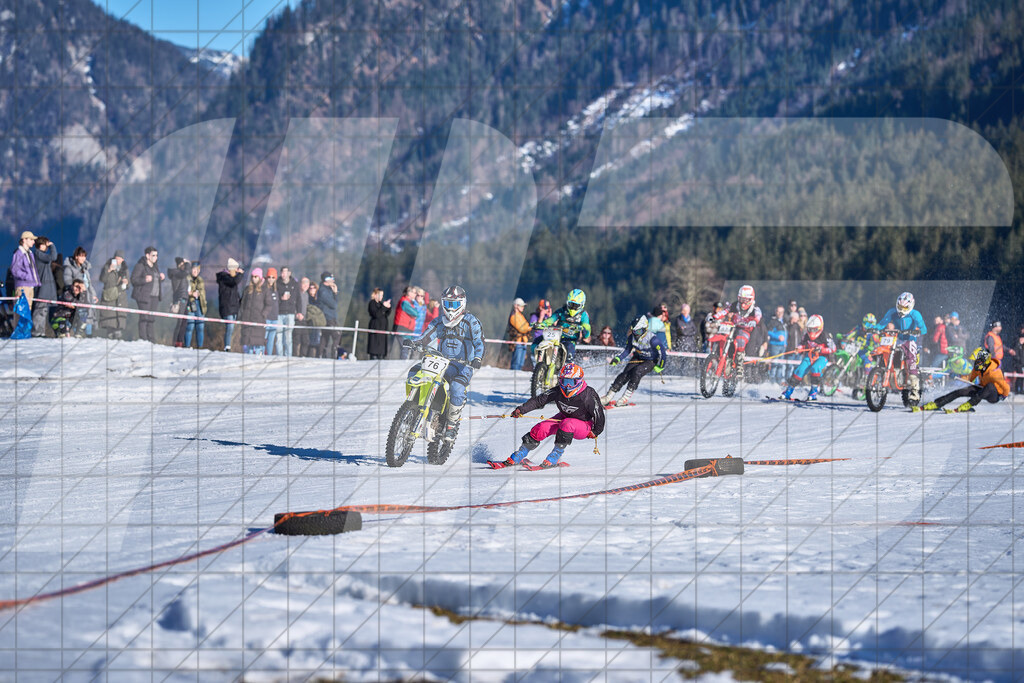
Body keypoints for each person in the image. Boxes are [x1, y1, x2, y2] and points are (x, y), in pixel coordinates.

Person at [402, 285, 484, 444]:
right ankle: (413, 408)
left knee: (456, 388)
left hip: (463, 365)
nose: (449, 308)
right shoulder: (439, 321)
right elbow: (426, 336)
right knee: (415, 372)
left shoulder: (471, 321)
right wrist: (415, 343)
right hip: (441, 361)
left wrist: (478, 358)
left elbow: (479, 342)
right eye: (446, 303)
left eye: (453, 304)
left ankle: (451, 426)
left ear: (462, 303)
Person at [492, 362, 606, 469]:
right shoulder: (557, 391)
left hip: (585, 425)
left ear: (579, 381)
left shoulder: (588, 395)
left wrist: (596, 431)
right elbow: (538, 401)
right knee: (541, 428)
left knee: (567, 424)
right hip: (564, 418)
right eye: (564, 381)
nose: (566, 386)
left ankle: (554, 457)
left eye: (571, 382)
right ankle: (519, 455)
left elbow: (599, 413)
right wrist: (521, 410)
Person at [600, 314, 666, 406]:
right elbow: (627, 350)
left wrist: (660, 366)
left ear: (644, 329)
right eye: (634, 331)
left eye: (638, 331)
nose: (635, 334)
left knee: (637, 371)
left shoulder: (653, 340)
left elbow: (663, 353)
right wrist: (618, 358)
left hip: (650, 361)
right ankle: (608, 396)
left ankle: (625, 397)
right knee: (624, 374)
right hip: (637, 357)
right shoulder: (632, 337)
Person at [874, 292, 928, 404]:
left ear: (911, 305)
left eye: (904, 307)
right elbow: (883, 322)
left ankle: (914, 392)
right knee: (886, 350)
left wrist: (917, 331)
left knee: (911, 361)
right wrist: (875, 329)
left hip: (910, 339)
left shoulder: (915, 314)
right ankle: (883, 372)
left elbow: (924, 329)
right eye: (900, 307)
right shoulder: (892, 312)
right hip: (897, 338)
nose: (902, 310)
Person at [916, 348, 1009, 412]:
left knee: (990, 386)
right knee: (960, 391)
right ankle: (937, 404)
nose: (976, 363)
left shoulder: (995, 373)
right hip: (982, 390)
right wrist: (958, 376)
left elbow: (1006, 387)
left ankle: (968, 405)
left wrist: (1004, 396)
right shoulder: (979, 369)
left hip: (993, 396)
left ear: (985, 361)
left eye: (978, 361)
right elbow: (969, 378)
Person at [711, 285, 762, 382]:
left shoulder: (755, 309)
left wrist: (754, 321)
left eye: (746, 300)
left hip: (745, 330)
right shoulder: (735, 305)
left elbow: (758, 316)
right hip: (733, 327)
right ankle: (718, 356)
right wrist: (714, 317)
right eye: (742, 299)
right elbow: (725, 311)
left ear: (751, 299)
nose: (743, 303)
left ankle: (739, 368)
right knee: (723, 337)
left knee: (740, 341)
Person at [780, 314, 835, 401]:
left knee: (815, 368)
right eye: (810, 329)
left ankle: (813, 392)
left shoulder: (825, 335)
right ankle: (788, 392)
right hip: (810, 355)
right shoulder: (806, 335)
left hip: (822, 357)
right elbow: (802, 344)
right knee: (799, 370)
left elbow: (833, 348)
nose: (812, 332)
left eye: (814, 329)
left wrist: (821, 349)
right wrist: (798, 348)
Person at [534, 288, 591, 361]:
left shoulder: (583, 315)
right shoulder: (562, 311)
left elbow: (587, 327)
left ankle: (568, 367)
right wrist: (542, 324)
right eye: (570, 304)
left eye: (575, 306)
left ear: (582, 305)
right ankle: (540, 362)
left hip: (570, 339)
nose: (572, 308)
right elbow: (552, 319)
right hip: (556, 336)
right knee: (539, 342)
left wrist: (584, 329)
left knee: (569, 354)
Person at [130, 246, 164, 342]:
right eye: (153, 255)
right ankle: (143, 339)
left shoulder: (155, 267)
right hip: (143, 296)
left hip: (155, 297)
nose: (155, 257)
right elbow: (133, 280)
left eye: (157, 255)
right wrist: (144, 280)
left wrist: (161, 278)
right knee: (144, 318)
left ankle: (151, 340)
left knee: (151, 319)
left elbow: (155, 281)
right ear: (147, 255)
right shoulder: (140, 265)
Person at [62, 247, 97, 337]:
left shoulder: (85, 270)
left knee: (88, 317)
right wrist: (77, 289)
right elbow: (68, 282)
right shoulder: (69, 268)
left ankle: (89, 336)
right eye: (81, 256)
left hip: (87, 297)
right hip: (76, 297)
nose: (83, 258)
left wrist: (94, 295)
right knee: (77, 317)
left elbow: (89, 284)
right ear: (76, 256)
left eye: (84, 256)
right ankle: (75, 335)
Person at [98, 250, 129, 338]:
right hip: (109, 298)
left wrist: (126, 283)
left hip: (121, 299)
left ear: (123, 260)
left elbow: (129, 284)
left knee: (118, 329)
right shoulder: (107, 266)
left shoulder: (125, 269)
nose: (118, 260)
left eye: (120, 258)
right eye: (116, 258)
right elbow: (102, 279)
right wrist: (109, 270)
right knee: (110, 328)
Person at [238, 268, 270, 354]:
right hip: (247, 320)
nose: (254, 278)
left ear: (260, 277)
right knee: (247, 346)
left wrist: (263, 314)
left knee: (257, 345)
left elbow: (268, 304)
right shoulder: (247, 289)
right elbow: (242, 304)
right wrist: (241, 315)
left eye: (256, 276)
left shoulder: (265, 290)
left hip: (258, 321)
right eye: (252, 276)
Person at [216, 258, 244, 351]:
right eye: (236, 269)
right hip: (227, 307)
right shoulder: (224, 277)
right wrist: (240, 274)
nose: (237, 271)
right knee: (230, 326)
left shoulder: (232, 279)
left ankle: (229, 345)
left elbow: (235, 292)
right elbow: (234, 282)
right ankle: (227, 346)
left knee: (231, 329)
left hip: (234, 307)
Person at [32, 236, 58, 337]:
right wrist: (52, 246)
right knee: (40, 311)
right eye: (46, 244)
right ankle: (37, 332)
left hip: (45, 289)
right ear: (41, 245)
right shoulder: (38, 254)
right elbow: (53, 257)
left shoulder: (40, 255)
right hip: (42, 289)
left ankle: (41, 332)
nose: (47, 246)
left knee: (43, 311)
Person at [11, 230, 40, 310]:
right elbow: (15, 270)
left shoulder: (30, 254)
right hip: (23, 287)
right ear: (24, 239)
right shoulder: (19, 253)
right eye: (31, 239)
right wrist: (27, 276)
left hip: (30, 287)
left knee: (27, 311)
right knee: (22, 312)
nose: (33, 242)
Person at [275, 266, 300, 356]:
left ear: (289, 273)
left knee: (288, 337)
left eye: (285, 272)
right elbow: (274, 298)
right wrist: (281, 299)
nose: (283, 274)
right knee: (278, 337)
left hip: (290, 313)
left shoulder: (295, 284)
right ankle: (279, 356)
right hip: (279, 314)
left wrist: (299, 312)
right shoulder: (277, 283)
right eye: (282, 272)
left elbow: (298, 299)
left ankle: (288, 356)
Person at [168, 257, 191, 347]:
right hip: (180, 300)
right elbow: (186, 272)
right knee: (180, 322)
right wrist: (188, 263)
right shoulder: (176, 273)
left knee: (183, 323)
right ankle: (176, 343)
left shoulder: (181, 275)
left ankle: (180, 342)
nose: (184, 266)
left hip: (185, 299)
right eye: (182, 264)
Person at [184, 261, 207, 349]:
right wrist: (191, 294)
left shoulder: (201, 280)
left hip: (200, 305)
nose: (195, 271)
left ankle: (200, 347)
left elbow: (203, 293)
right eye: (193, 269)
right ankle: (187, 345)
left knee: (200, 326)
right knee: (190, 325)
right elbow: (185, 291)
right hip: (190, 304)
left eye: (197, 269)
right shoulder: (187, 279)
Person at [317, 272, 339, 358]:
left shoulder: (328, 289)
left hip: (331, 316)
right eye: (331, 278)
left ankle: (321, 354)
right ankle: (333, 355)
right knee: (337, 335)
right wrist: (335, 293)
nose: (333, 280)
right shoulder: (323, 291)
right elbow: (334, 305)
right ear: (326, 280)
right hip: (328, 317)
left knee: (325, 336)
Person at [506, 297, 532, 370]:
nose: (523, 307)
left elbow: (526, 326)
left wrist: (527, 328)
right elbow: (522, 329)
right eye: (521, 305)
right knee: (516, 364)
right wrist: (529, 328)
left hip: (523, 342)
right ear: (516, 306)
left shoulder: (521, 315)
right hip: (517, 342)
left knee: (520, 364)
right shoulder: (513, 317)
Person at [392, 286, 418, 359]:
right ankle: (402, 365)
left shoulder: (409, 302)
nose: (415, 294)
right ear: (409, 293)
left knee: (406, 349)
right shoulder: (405, 302)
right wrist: (414, 314)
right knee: (405, 349)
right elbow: (415, 313)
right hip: (402, 328)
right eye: (414, 292)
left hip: (407, 329)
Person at [367, 288, 392, 359]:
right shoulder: (372, 303)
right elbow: (376, 314)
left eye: (382, 295)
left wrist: (388, 307)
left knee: (381, 347)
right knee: (375, 346)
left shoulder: (381, 304)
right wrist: (384, 307)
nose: (382, 297)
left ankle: (382, 355)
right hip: (375, 327)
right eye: (380, 295)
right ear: (375, 295)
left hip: (383, 328)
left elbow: (386, 314)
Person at [766, 305, 788, 383]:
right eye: (778, 311)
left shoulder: (784, 321)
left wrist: (785, 342)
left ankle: (778, 381)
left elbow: (786, 333)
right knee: (774, 363)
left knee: (780, 364)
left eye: (781, 312)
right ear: (776, 312)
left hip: (783, 346)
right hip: (775, 345)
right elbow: (768, 332)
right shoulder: (773, 321)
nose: (780, 313)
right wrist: (777, 337)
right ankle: (771, 381)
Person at [674, 303, 698, 372]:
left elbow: (695, 330)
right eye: (685, 310)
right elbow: (682, 331)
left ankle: (688, 372)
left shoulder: (691, 320)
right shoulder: (678, 319)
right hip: (682, 342)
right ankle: (681, 372)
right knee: (682, 359)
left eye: (687, 310)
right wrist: (689, 331)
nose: (686, 312)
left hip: (691, 344)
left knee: (689, 360)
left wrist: (686, 330)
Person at [264, 267, 281, 354]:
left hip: (274, 318)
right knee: (264, 339)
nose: (271, 279)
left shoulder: (276, 290)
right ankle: (261, 355)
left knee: (271, 340)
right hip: (266, 318)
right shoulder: (263, 289)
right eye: (269, 277)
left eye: (273, 277)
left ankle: (269, 356)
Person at [293, 276, 311, 357]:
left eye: (307, 284)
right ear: (300, 284)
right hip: (297, 319)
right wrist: (296, 314)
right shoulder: (296, 293)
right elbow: (292, 305)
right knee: (296, 340)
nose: (305, 285)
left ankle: (303, 356)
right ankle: (294, 356)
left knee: (305, 340)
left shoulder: (306, 295)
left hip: (304, 320)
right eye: (304, 283)